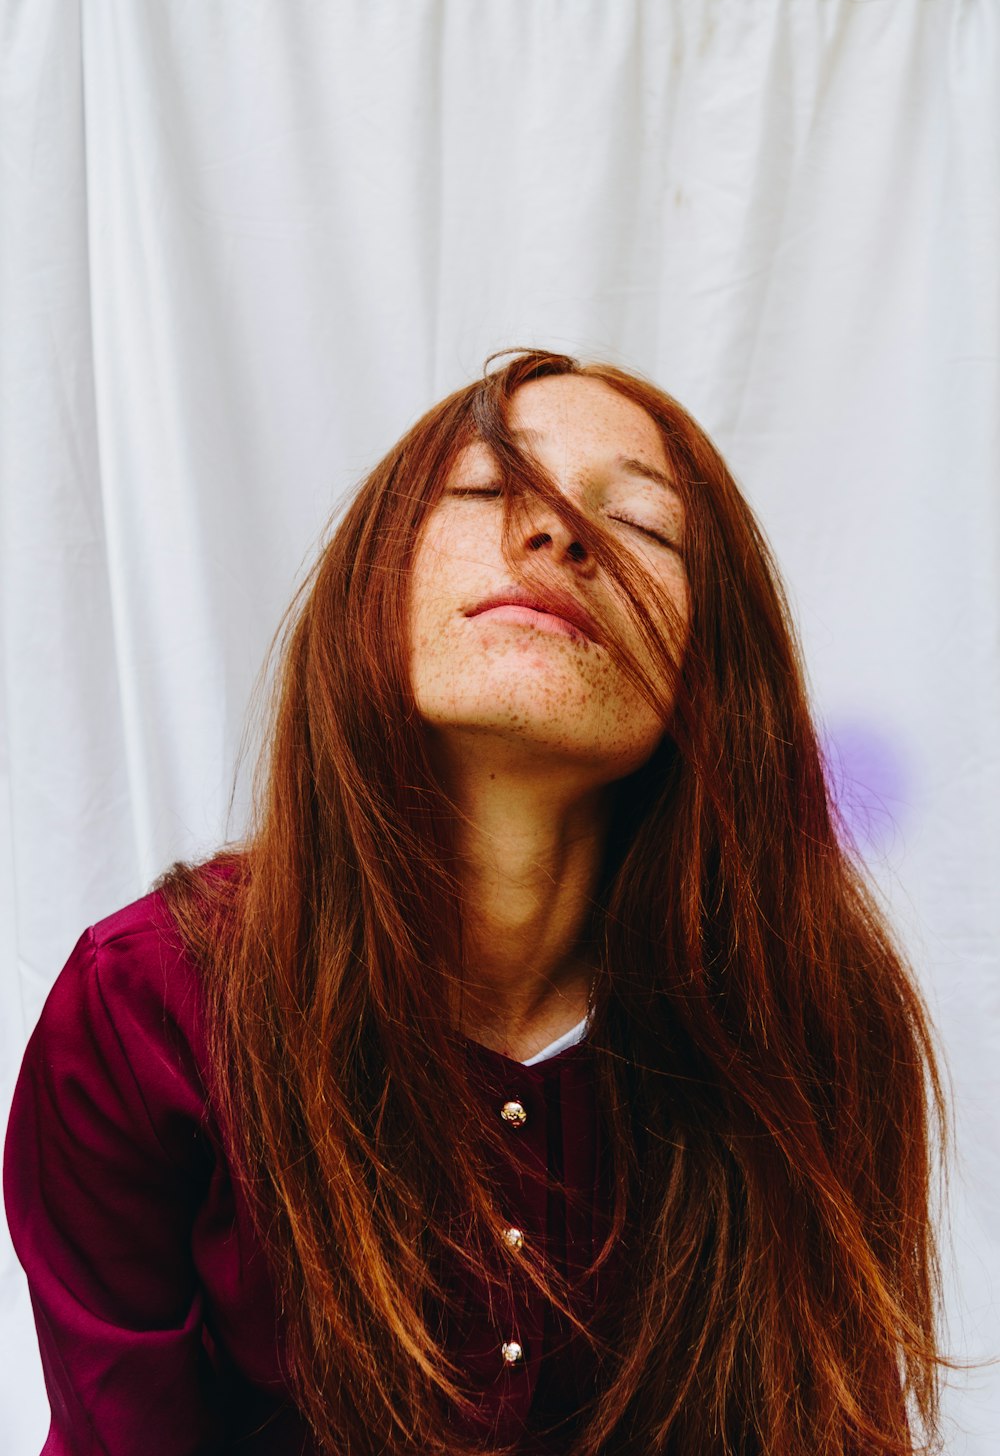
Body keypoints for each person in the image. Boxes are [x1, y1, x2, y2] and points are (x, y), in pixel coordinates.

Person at [3, 347, 961, 1454]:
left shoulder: (811, 1021)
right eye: (487, 490)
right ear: (379, 578)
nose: (558, 534)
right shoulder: (142, 1010)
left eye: (642, 525)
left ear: (712, 664)